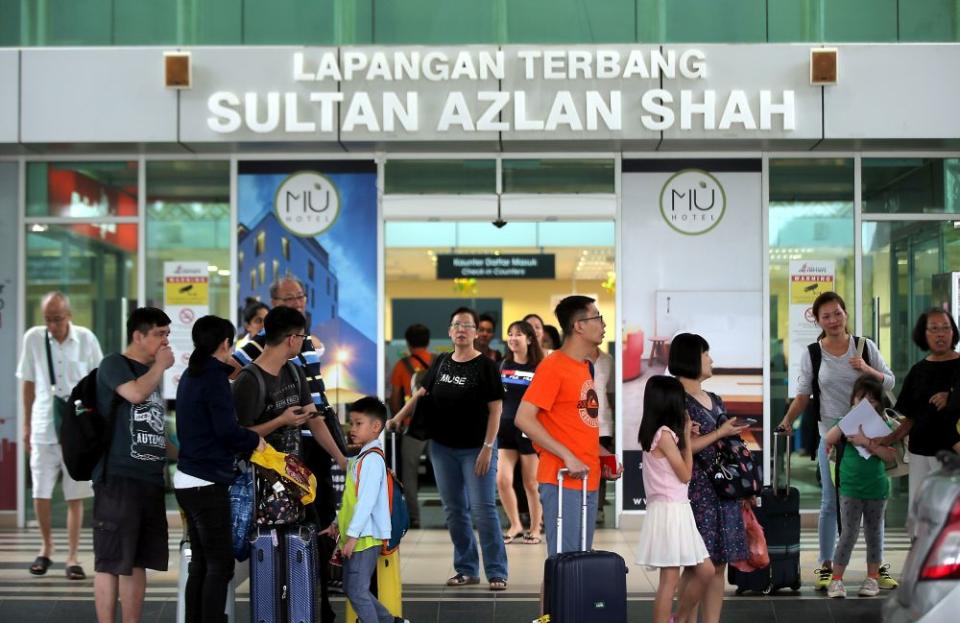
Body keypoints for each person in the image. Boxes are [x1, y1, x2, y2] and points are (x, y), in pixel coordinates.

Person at [231, 305, 347, 623]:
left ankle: (307, 612)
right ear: (293, 339)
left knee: (307, 544)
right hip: (263, 487)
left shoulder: (293, 371)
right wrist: (281, 419)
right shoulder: (249, 381)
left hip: (296, 481)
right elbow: (239, 436)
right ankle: (272, 613)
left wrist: (341, 458)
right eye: (302, 337)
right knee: (270, 553)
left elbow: (314, 417)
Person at [778, 292, 896, 591]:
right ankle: (826, 567)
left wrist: (867, 369)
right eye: (826, 316)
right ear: (818, 320)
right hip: (831, 437)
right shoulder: (813, 353)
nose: (833, 320)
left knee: (873, 503)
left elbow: (890, 380)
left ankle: (876, 567)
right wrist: (788, 420)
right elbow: (804, 394)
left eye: (837, 313)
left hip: (869, 434)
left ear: (845, 313)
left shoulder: (865, 346)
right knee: (830, 503)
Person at [387, 307, 508, 591]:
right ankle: (466, 569)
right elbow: (420, 394)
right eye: (457, 325)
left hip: (477, 449)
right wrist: (396, 418)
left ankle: (496, 571)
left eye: (467, 325)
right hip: (442, 448)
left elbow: (496, 410)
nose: (462, 329)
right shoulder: (441, 362)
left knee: (483, 509)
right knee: (454, 510)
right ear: (450, 331)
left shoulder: (486, 366)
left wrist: (488, 448)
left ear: (476, 332)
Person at [514, 296, 622, 558]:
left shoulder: (586, 367)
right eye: (597, 317)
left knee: (579, 562)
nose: (603, 324)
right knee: (564, 563)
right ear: (579, 326)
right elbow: (524, 418)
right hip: (563, 479)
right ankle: (555, 602)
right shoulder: (553, 367)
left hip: (587, 477)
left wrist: (603, 455)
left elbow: (577, 425)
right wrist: (568, 456)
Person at [174, 315, 265, 623]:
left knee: (201, 563)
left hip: (187, 479)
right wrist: (255, 440)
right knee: (219, 565)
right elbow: (227, 430)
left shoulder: (191, 374)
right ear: (226, 343)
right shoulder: (213, 378)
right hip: (206, 482)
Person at [93, 307, 175, 623]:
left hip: (150, 480)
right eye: (159, 334)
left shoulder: (153, 375)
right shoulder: (115, 364)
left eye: (168, 334)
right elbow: (136, 394)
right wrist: (160, 368)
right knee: (110, 559)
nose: (166, 341)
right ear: (138, 335)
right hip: (118, 478)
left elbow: (155, 433)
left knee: (138, 560)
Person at [17, 291, 103, 579]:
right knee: (40, 491)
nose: (52, 325)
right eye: (47, 319)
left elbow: (97, 382)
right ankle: (46, 548)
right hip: (43, 424)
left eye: (57, 319)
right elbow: (27, 383)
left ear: (69, 316)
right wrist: (26, 425)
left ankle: (72, 556)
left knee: (74, 494)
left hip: (76, 430)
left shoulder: (86, 339)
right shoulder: (33, 338)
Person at [668, 332, 748, 623]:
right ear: (691, 358)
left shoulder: (714, 399)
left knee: (719, 564)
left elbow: (721, 444)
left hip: (723, 488)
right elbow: (675, 448)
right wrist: (720, 433)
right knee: (697, 565)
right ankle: (684, 618)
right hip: (695, 491)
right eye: (705, 354)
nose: (711, 359)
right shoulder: (674, 399)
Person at [323, 397, 409, 623]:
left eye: (358, 423)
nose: (352, 429)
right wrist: (336, 523)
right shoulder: (362, 457)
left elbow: (366, 502)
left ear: (376, 427)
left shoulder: (372, 460)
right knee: (354, 589)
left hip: (365, 537)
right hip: (360, 536)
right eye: (351, 423)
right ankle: (392, 622)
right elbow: (351, 499)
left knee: (357, 591)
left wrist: (351, 535)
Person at [635, 375, 714, 623]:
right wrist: (688, 442)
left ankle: (678, 619)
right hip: (671, 510)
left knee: (703, 570)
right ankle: (677, 620)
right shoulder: (666, 435)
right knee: (670, 580)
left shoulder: (655, 433)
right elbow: (685, 474)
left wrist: (684, 437)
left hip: (673, 509)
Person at [877, 308, 960, 536]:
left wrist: (952, 398)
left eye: (946, 328)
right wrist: (886, 439)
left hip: (953, 454)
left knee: (950, 517)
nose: (941, 334)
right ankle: (922, 564)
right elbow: (908, 417)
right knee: (922, 514)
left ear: (953, 333)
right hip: (919, 452)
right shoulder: (918, 370)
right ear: (924, 335)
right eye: (934, 329)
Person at [821, 375, 898, 599]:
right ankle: (836, 580)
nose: (867, 402)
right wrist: (851, 420)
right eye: (861, 397)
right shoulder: (846, 421)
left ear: (880, 402)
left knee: (874, 534)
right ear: (853, 399)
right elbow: (829, 437)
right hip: (850, 487)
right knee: (849, 534)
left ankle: (872, 579)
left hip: (877, 487)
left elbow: (889, 457)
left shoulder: (885, 424)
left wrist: (866, 442)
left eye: (872, 399)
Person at [497, 320, 544, 545]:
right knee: (502, 480)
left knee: (531, 483)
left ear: (529, 339)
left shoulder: (540, 367)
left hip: (528, 430)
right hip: (505, 430)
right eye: (510, 334)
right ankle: (515, 524)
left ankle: (535, 528)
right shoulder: (503, 364)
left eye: (518, 334)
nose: (513, 338)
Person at [388, 323, 433, 529]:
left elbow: (395, 397)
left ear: (407, 343)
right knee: (446, 470)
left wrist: (400, 421)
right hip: (438, 426)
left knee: (409, 473)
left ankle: (414, 516)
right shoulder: (437, 362)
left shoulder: (401, 365)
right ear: (428, 341)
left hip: (412, 426)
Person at [589, 345, 616, 525]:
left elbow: (612, 392)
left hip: (604, 422)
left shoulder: (608, 360)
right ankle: (587, 506)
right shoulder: (574, 358)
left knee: (602, 467)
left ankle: (598, 508)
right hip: (582, 421)